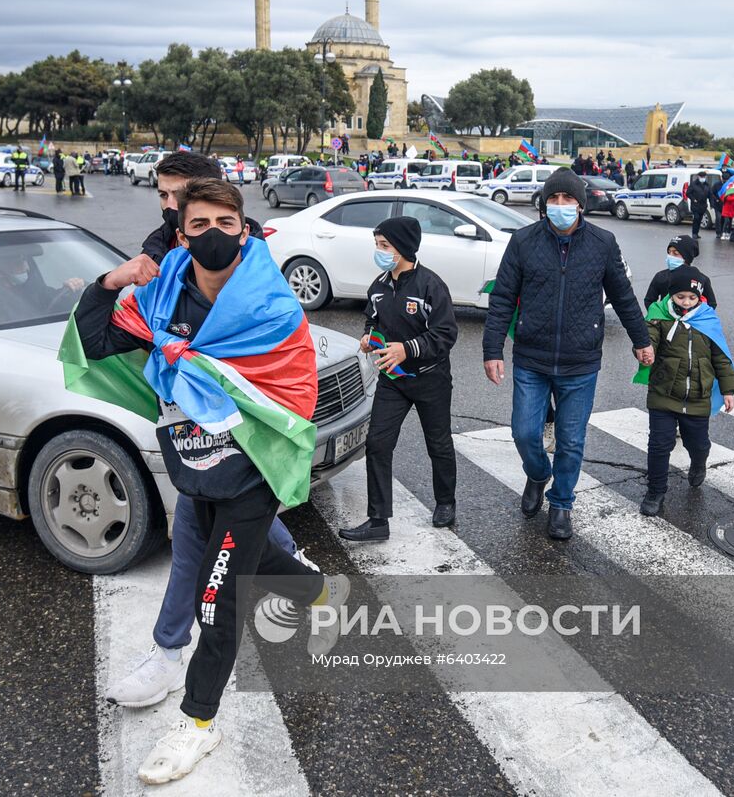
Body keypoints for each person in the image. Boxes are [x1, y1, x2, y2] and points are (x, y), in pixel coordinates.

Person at [72, 177, 348, 785]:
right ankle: (318, 592)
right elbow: (94, 340)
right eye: (199, 226)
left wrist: (201, 372)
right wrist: (110, 283)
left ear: (244, 229)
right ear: (182, 234)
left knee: (218, 601)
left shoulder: (271, 305)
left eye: (226, 224)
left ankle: (198, 723)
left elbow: (295, 390)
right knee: (234, 573)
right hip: (196, 468)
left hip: (251, 474)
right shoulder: (164, 298)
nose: (215, 235)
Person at [103, 152, 309, 711]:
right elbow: (120, 325)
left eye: (178, 197)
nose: (169, 208)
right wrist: (107, 285)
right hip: (194, 448)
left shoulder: (258, 275)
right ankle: (300, 586)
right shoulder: (161, 257)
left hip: (247, 452)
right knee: (217, 543)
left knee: (208, 571)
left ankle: (181, 681)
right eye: (166, 201)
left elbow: (284, 363)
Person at [482, 169, 653, 541]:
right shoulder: (524, 241)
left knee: (572, 440)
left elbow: (623, 297)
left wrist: (641, 341)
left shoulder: (602, 243)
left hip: (581, 362)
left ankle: (561, 504)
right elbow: (503, 298)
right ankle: (539, 473)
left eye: (568, 200)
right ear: (545, 204)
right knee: (525, 433)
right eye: (554, 199)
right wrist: (492, 349)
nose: (560, 206)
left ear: (581, 204)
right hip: (532, 358)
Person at [339, 217, 459, 542]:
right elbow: (372, 319)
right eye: (377, 245)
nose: (379, 252)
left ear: (404, 248)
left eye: (385, 246)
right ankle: (378, 521)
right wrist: (368, 337)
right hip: (393, 380)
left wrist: (408, 349)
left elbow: (446, 334)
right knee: (377, 444)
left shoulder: (431, 286)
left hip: (430, 379)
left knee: (439, 444)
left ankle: (445, 502)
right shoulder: (378, 287)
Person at [634, 266, 734, 516]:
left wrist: (728, 390)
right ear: (671, 295)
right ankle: (656, 490)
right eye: (681, 297)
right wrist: (646, 352)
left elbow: (721, 358)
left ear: (700, 297)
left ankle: (698, 463)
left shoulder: (707, 319)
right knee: (659, 445)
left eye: (692, 298)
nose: (686, 303)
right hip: (663, 393)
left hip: (697, 397)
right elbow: (648, 340)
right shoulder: (659, 316)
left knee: (698, 444)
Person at [643, 235, 718, 309]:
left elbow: (711, 304)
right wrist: (658, 316)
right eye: (669, 252)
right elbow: (649, 300)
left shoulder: (701, 279)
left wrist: (697, 318)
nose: (670, 256)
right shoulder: (661, 276)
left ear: (687, 256)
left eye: (675, 253)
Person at [687, 170, 711, 239]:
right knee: (696, 218)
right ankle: (694, 233)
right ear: (698, 177)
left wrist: (712, 203)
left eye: (704, 177)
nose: (703, 178)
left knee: (699, 219)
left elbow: (710, 194)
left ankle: (697, 233)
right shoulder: (693, 184)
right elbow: (688, 193)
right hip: (695, 205)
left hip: (703, 205)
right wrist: (693, 199)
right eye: (701, 177)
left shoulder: (707, 185)